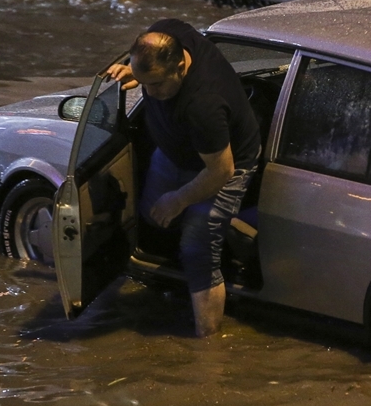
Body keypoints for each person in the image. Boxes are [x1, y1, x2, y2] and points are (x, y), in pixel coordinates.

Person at [107, 19, 260, 337]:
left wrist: (178, 199)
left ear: (180, 67)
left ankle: (208, 343)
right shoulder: (169, 33)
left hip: (222, 165)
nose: (150, 92)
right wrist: (133, 73)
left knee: (197, 250)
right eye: (145, 83)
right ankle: (215, 238)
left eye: (156, 85)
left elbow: (221, 171)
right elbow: (149, 63)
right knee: (151, 214)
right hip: (175, 153)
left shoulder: (203, 104)